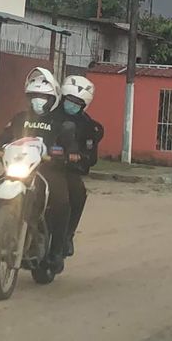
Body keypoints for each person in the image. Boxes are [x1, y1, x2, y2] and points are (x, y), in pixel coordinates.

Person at [0, 66, 68, 272]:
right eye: (34, 96)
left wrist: (64, 152)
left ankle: (57, 251)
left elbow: (68, 144)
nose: (38, 100)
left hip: (47, 169)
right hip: (20, 167)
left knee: (61, 201)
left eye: (43, 97)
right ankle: (3, 231)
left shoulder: (59, 121)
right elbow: (4, 137)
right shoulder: (20, 118)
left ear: (53, 98)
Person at [57, 74, 104, 258]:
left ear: (84, 105)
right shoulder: (49, 114)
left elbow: (91, 157)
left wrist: (79, 157)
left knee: (78, 193)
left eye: (77, 103)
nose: (71, 105)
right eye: (69, 100)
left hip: (66, 169)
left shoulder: (88, 126)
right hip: (37, 163)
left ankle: (67, 235)